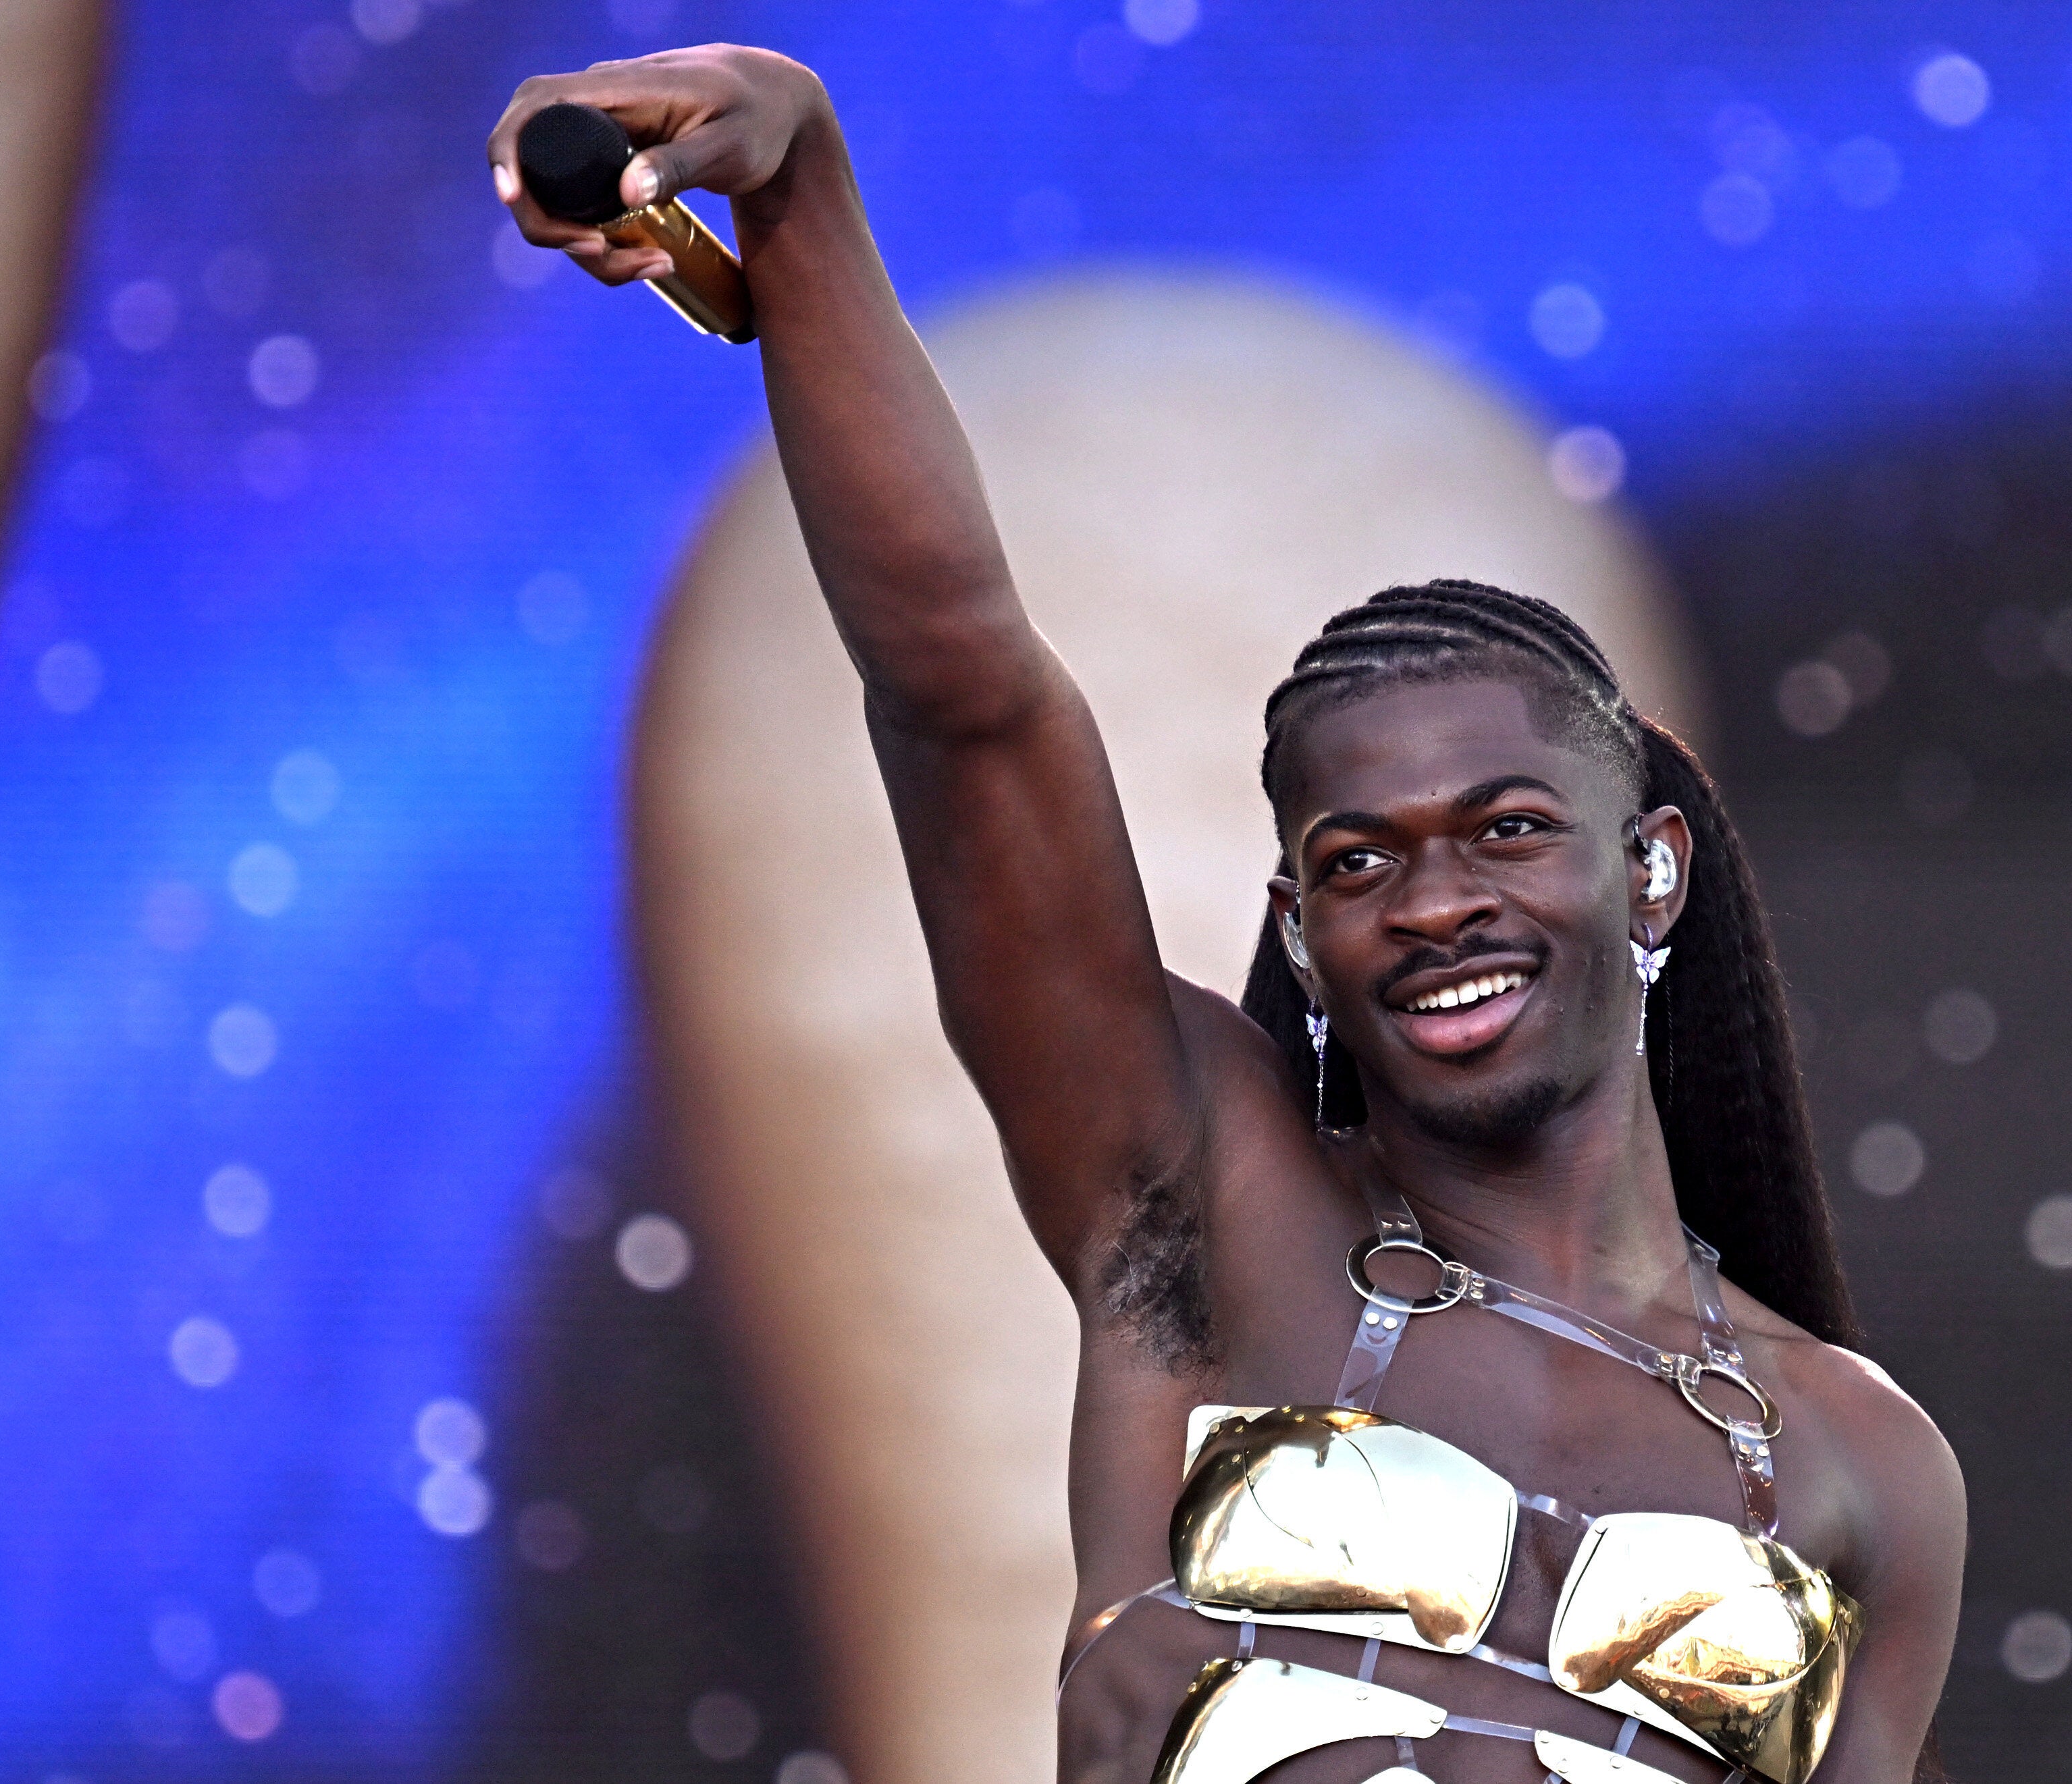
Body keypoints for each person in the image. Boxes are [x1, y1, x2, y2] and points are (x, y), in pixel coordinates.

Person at [490, 44, 1964, 1784]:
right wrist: (799, 199)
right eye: (1359, 862)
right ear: (1298, 919)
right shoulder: (1202, 1220)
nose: (1434, 904)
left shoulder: (1858, 1462)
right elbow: (965, 693)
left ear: (1648, 868)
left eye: (1504, 831)